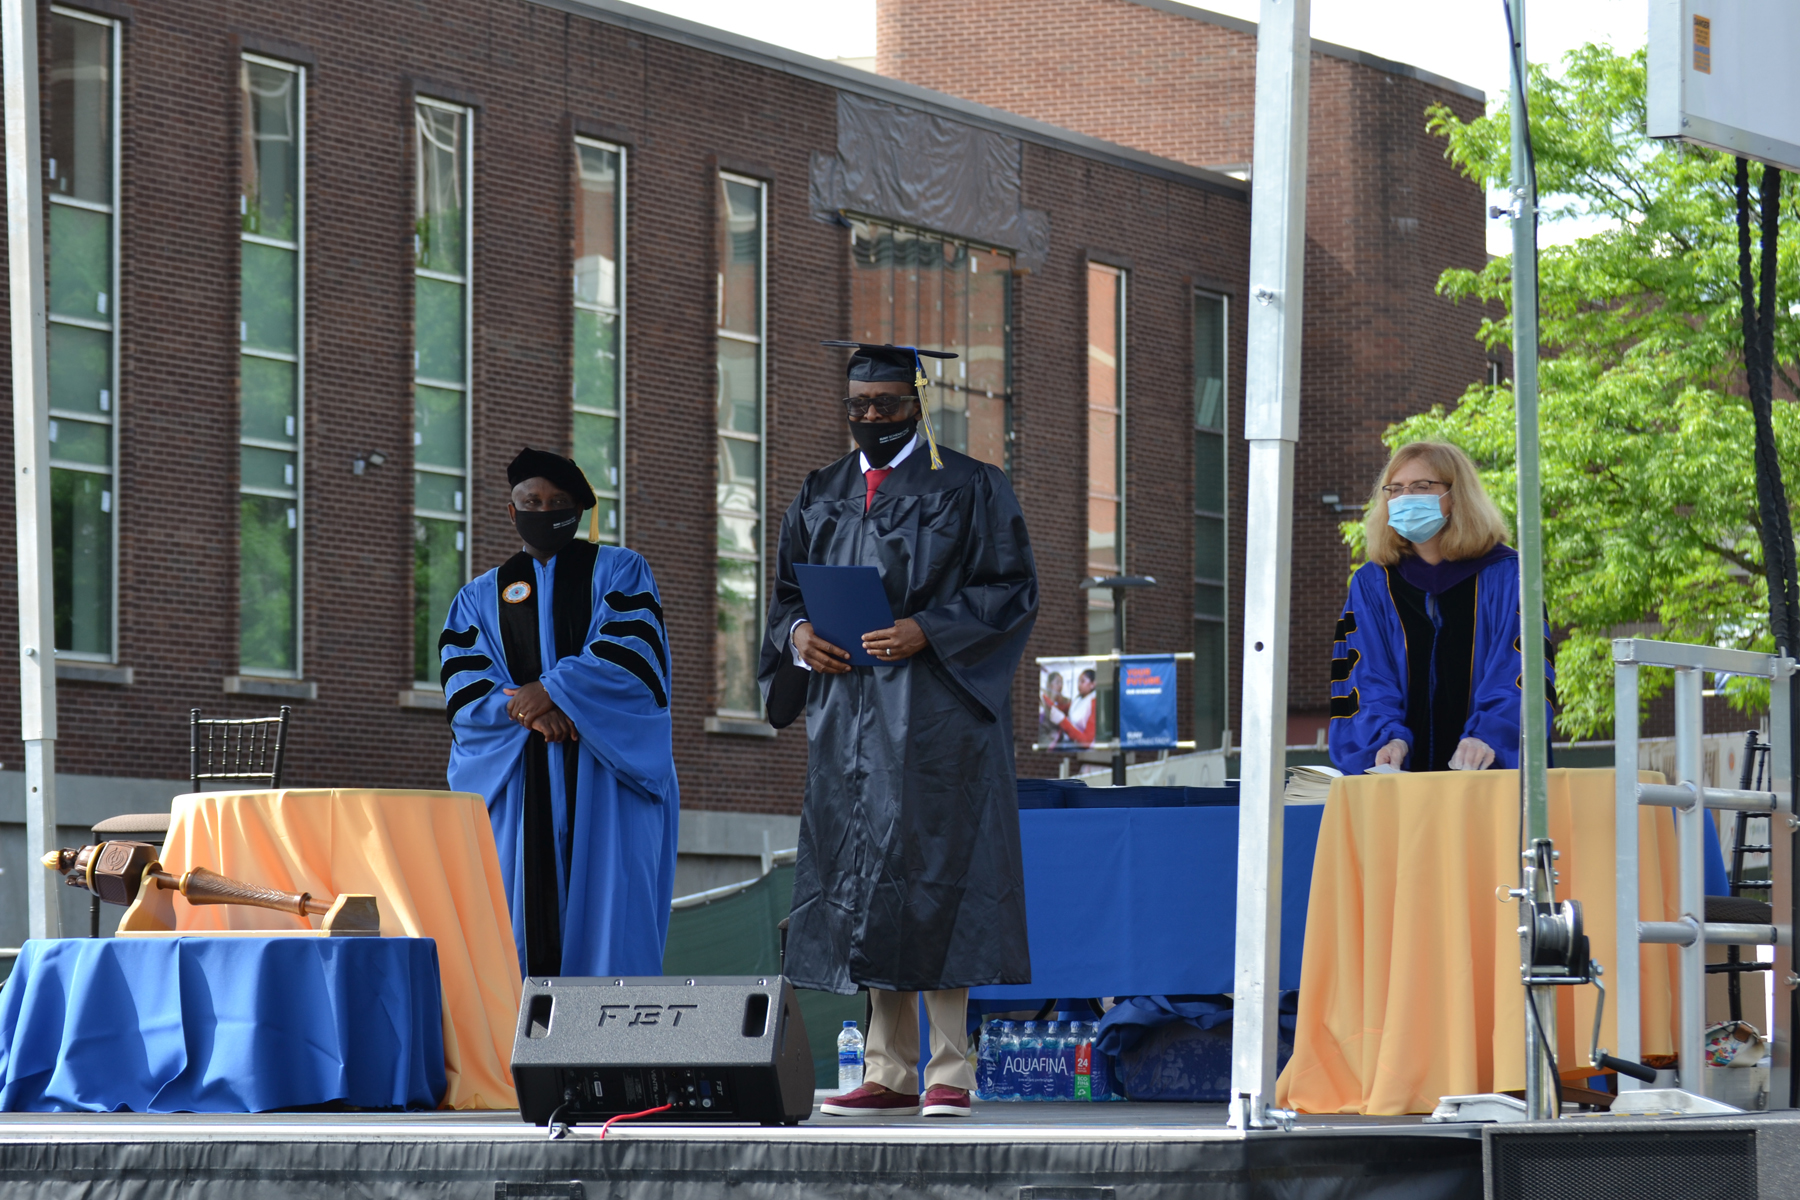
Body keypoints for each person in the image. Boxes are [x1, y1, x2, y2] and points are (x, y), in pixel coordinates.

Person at [761, 341, 1039, 1119]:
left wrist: (928, 628)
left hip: (936, 722)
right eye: (858, 407)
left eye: (886, 405)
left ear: (919, 401)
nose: (871, 419)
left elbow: (1011, 590)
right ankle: (889, 1068)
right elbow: (784, 596)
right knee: (862, 883)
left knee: (939, 877)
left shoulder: (972, 487)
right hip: (847, 721)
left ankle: (951, 1067)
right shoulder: (820, 491)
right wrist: (797, 639)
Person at [441, 447, 677, 978]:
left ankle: (613, 1059)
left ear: (576, 511)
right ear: (511, 511)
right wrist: (524, 709)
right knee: (516, 931)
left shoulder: (620, 570)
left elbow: (632, 656)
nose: (543, 511)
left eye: (557, 502)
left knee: (612, 924)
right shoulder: (480, 596)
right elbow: (463, 682)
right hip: (520, 780)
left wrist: (552, 690)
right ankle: (520, 1059)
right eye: (531, 501)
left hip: (606, 775)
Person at [1329, 441, 1554, 775]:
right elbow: (1365, 676)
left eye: (1422, 486)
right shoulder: (1373, 584)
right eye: (1396, 489)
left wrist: (1486, 736)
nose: (1406, 497)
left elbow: (1520, 670)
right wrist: (1387, 740)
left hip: (1487, 775)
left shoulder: (1508, 575)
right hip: (1401, 782)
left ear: (1456, 495)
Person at [1050, 668, 1099, 750]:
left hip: (1083, 748)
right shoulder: (1078, 699)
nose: (1078, 685)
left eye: (1082, 681)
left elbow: (1087, 742)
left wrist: (1062, 721)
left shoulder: (1094, 703)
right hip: (1071, 742)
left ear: (1092, 684)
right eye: (1078, 681)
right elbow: (1067, 708)